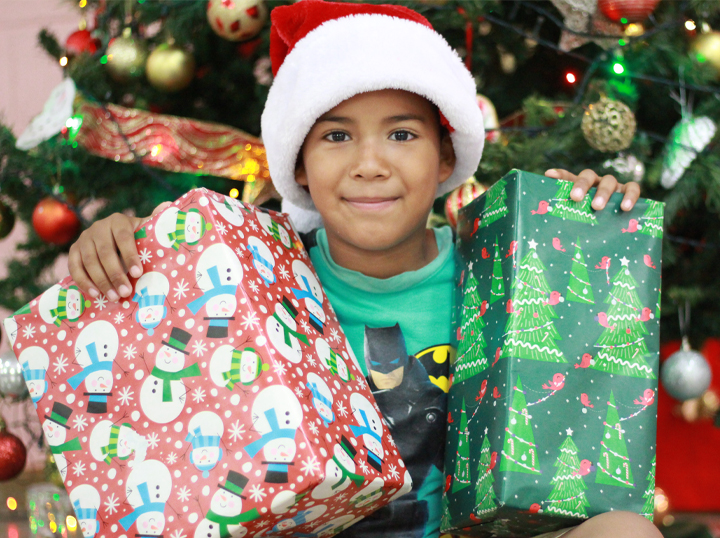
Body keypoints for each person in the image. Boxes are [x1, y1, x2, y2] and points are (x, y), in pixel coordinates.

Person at [67, 2, 661, 538]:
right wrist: (119, 249)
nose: (369, 164)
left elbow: (567, 429)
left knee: (626, 532)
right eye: (336, 136)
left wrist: (577, 236)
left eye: (401, 133)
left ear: (446, 155)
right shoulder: (255, 291)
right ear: (298, 164)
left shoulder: (499, 276)